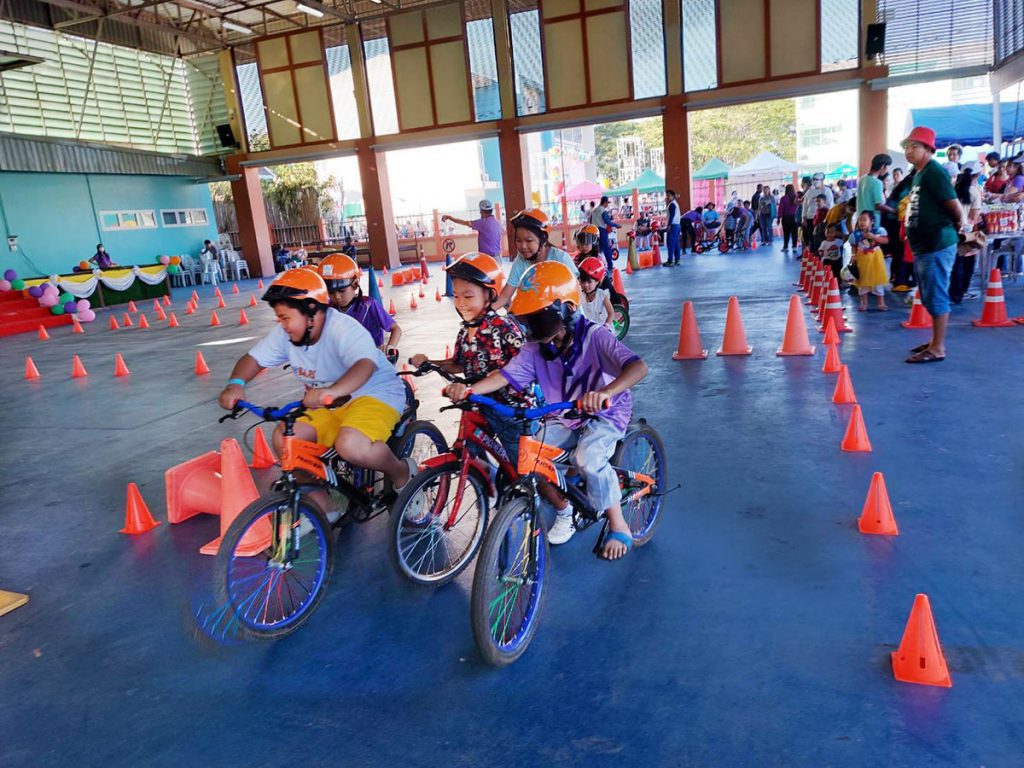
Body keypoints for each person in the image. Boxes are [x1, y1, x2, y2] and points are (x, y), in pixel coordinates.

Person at [443, 260, 649, 560]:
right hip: (565, 414)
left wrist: (605, 392)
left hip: (607, 412)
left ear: (565, 310)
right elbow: (503, 376)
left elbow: (638, 367)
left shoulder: (595, 336)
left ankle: (619, 524)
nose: (530, 329)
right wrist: (470, 390)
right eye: (526, 321)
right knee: (532, 455)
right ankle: (568, 501)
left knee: (588, 457)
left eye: (536, 319)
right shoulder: (535, 348)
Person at [218, 269, 415, 520]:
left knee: (350, 445)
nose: (282, 324)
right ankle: (323, 505)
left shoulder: (342, 328)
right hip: (329, 400)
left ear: (311, 310)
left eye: (285, 317)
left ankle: (400, 472)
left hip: (375, 392)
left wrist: (331, 391)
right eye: (279, 318)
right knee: (285, 439)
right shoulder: (287, 333)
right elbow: (254, 359)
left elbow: (365, 366)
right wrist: (236, 384)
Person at [409, 252, 530, 459]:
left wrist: (469, 388)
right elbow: (458, 364)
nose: (461, 303)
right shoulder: (465, 331)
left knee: (521, 467)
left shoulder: (504, 327)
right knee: (468, 454)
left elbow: (522, 369)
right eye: (456, 296)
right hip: (479, 405)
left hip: (511, 411)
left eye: (468, 296)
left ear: (490, 295)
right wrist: (429, 362)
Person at [902, 126, 963, 364]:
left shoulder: (934, 172)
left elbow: (953, 205)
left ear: (928, 149)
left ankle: (938, 347)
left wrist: (957, 225)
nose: (908, 151)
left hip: (937, 244)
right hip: (924, 246)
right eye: (906, 147)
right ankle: (934, 341)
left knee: (936, 295)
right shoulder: (920, 173)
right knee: (928, 295)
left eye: (914, 146)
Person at [318, 253, 401, 359]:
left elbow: (396, 329)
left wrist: (389, 348)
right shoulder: (328, 310)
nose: (337, 297)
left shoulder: (369, 305)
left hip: (372, 360)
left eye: (342, 291)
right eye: (331, 292)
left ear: (355, 284)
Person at [494, 208, 577, 309]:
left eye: (529, 241)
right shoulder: (520, 261)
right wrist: (488, 312)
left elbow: (575, 293)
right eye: (518, 240)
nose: (523, 246)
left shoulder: (561, 259)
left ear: (543, 240)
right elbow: (504, 297)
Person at [949, 163, 983, 304]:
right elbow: (974, 215)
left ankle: (952, 293)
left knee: (955, 263)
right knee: (967, 262)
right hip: (967, 232)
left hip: (952, 230)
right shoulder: (974, 191)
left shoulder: (952, 188)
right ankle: (961, 292)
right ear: (977, 175)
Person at [849, 211, 890, 311]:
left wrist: (873, 237)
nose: (862, 222)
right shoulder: (856, 234)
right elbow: (853, 246)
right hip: (862, 259)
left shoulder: (879, 231)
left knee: (878, 282)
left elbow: (885, 240)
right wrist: (853, 255)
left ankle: (881, 303)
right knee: (862, 281)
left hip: (876, 260)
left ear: (872, 221)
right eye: (860, 220)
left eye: (864, 220)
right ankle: (864, 303)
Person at [857, 154, 894, 229]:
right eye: (887, 167)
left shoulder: (861, 179)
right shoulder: (877, 182)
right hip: (872, 221)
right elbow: (879, 205)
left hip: (861, 220)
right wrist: (894, 211)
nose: (887, 170)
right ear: (882, 166)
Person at [577, 257, 615, 330]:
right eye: (583, 281)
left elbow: (611, 313)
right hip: (588, 330)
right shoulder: (580, 295)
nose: (586, 285)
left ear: (597, 281)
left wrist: (606, 325)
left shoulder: (602, 295)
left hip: (603, 330)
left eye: (589, 282)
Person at [802, 173, 833, 246]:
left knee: (821, 239)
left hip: (822, 219)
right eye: (813, 179)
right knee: (812, 239)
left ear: (822, 180)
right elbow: (805, 205)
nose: (814, 181)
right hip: (810, 218)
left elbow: (830, 206)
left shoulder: (827, 191)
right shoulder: (809, 191)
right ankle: (813, 252)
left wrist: (829, 219)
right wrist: (804, 218)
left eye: (816, 179)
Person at [590, 195, 620, 270]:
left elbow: (590, 221)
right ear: (605, 202)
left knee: (596, 250)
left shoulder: (594, 210)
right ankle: (610, 265)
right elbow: (607, 221)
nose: (607, 205)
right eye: (607, 203)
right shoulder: (603, 210)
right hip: (602, 231)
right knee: (606, 249)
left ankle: (595, 266)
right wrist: (616, 225)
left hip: (594, 231)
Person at [778, 184, 800, 251]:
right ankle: (794, 247)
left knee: (786, 233)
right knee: (795, 233)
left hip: (786, 218)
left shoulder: (783, 198)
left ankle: (786, 247)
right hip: (795, 217)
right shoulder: (796, 197)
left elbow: (781, 209)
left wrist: (779, 217)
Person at [664, 189, 682, 265]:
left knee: (670, 243)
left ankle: (670, 261)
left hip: (673, 225)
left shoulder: (672, 204)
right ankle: (677, 259)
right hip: (677, 225)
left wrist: (669, 225)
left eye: (668, 195)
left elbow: (671, 216)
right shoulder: (675, 204)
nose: (667, 197)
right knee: (676, 243)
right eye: (666, 195)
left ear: (673, 196)